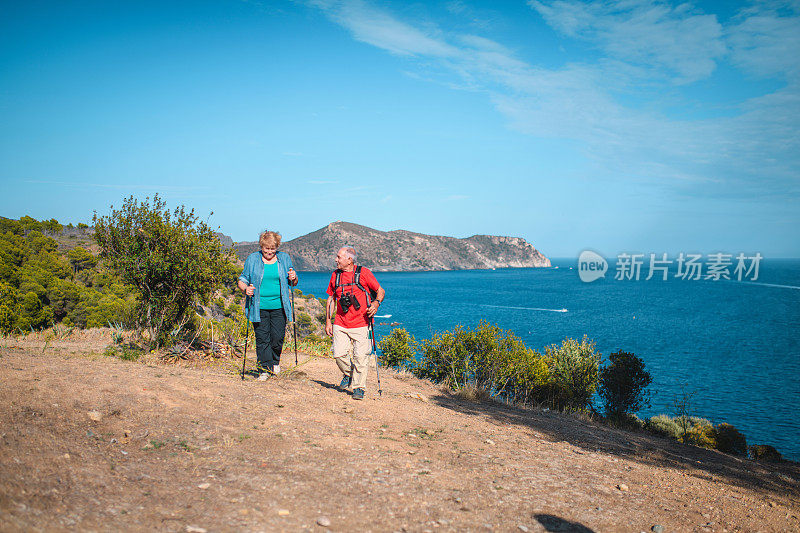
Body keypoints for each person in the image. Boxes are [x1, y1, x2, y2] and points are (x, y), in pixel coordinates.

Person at [325, 246, 385, 400]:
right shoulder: (335, 275)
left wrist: (376, 304)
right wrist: (328, 321)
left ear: (349, 260)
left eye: (339, 257)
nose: (336, 260)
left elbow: (380, 291)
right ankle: (349, 374)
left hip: (362, 322)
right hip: (340, 322)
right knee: (338, 354)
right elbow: (331, 298)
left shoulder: (363, 273)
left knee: (361, 357)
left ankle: (359, 388)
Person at [238, 230, 298, 380]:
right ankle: (264, 369)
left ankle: (274, 361)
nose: (269, 251)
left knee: (277, 337)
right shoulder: (253, 259)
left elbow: (293, 282)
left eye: (273, 248)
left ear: (277, 246)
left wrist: (294, 277)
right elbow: (242, 279)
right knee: (262, 338)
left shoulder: (284, 258)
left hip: (279, 305)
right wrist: (246, 289)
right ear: (261, 246)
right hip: (259, 306)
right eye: (267, 248)